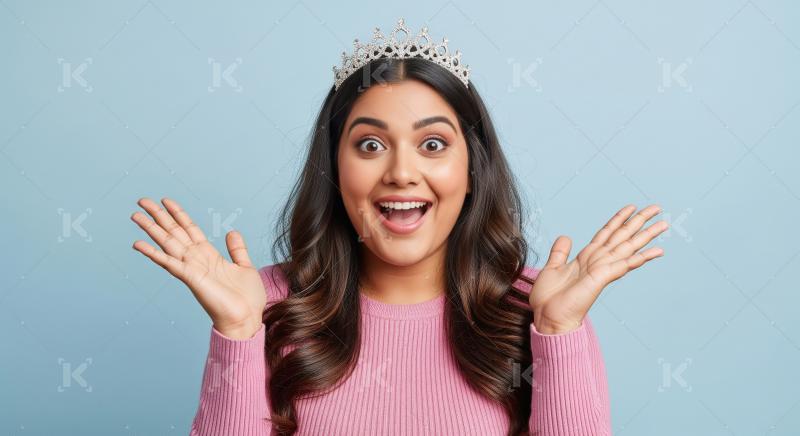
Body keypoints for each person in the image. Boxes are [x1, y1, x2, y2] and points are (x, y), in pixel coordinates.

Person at [130, 18, 668, 436]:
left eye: (433, 144)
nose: (402, 172)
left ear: (471, 166)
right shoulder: (263, 305)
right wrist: (240, 333)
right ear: (335, 167)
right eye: (370, 145)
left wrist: (557, 332)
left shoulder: (536, 310)